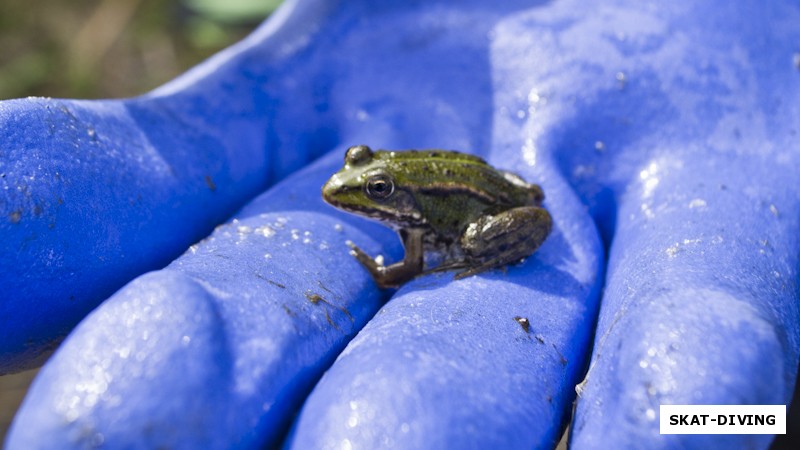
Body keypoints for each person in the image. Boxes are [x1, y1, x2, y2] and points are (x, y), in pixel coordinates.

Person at [3, 0, 798, 448]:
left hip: (496, 202)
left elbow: (416, 253)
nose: (354, 191)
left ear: (396, 197)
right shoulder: (390, 185)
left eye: (372, 189)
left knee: (717, 396)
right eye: (365, 176)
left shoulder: (414, 221)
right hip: (497, 178)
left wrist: (401, 269)